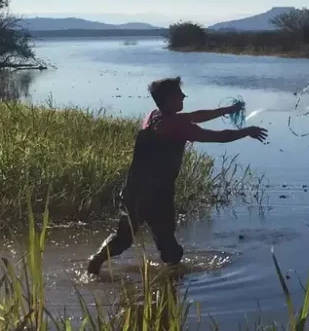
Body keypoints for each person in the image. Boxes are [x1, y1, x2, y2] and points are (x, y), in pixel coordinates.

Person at [86, 76, 267, 275]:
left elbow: (195, 116)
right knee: (169, 251)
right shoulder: (177, 125)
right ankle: (170, 286)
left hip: (134, 190)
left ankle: (95, 263)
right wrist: (247, 131)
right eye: (179, 94)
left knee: (125, 239)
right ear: (169, 99)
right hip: (156, 195)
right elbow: (218, 137)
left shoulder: (153, 116)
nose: (184, 96)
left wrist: (226, 110)